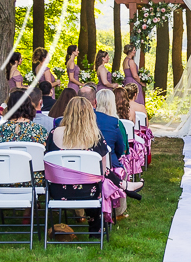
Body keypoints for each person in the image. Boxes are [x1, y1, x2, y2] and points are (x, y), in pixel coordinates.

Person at [45, 98, 126, 235]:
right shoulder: (95, 136)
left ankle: (125, 186)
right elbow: (103, 170)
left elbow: (47, 161)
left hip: (58, 190)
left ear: (68, 112)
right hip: (89, 191)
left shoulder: (53, 134)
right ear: (90, 114)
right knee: (100, 180)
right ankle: (95, 228)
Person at [80, 85, 129, 165]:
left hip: (83, 163)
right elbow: (122, 150)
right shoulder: (115, 122)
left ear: (97, 101)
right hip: (109, 163)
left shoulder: (80, 120)